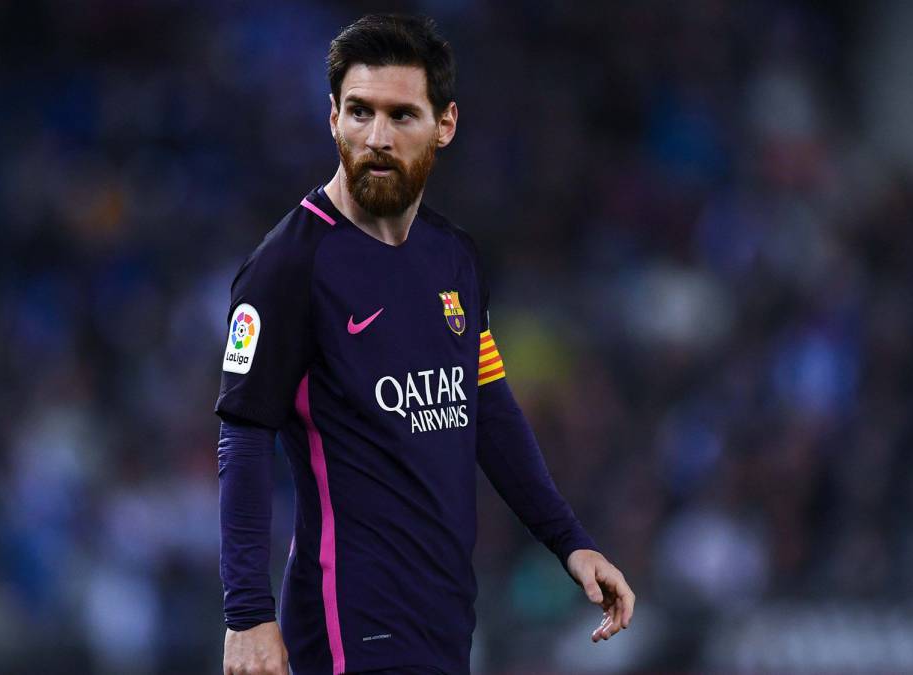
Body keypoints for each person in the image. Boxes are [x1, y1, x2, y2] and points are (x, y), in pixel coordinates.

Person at [215, 14, 635, 675]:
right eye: (360, 111)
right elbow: (243, 435)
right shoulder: (288, 266)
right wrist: (246, 614)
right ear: (333, 118)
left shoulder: (453, 258)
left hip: (443, 614)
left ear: (445, 124)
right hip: (350, 619)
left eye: (401, 115)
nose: (376, 137)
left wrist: (570, 542)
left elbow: (486, 406)